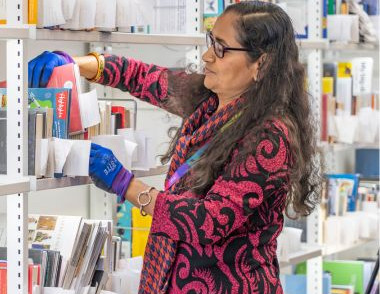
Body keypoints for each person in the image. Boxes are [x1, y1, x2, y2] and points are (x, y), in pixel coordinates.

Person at [28, 1, 321, 293]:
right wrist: (72, 64)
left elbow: (208, 221)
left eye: (221, 48)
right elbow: (143, 77)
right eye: (210, 42)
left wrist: (124, 183)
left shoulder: (271, 136)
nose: (207, 56)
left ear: (262, 63)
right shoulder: (208, 100)